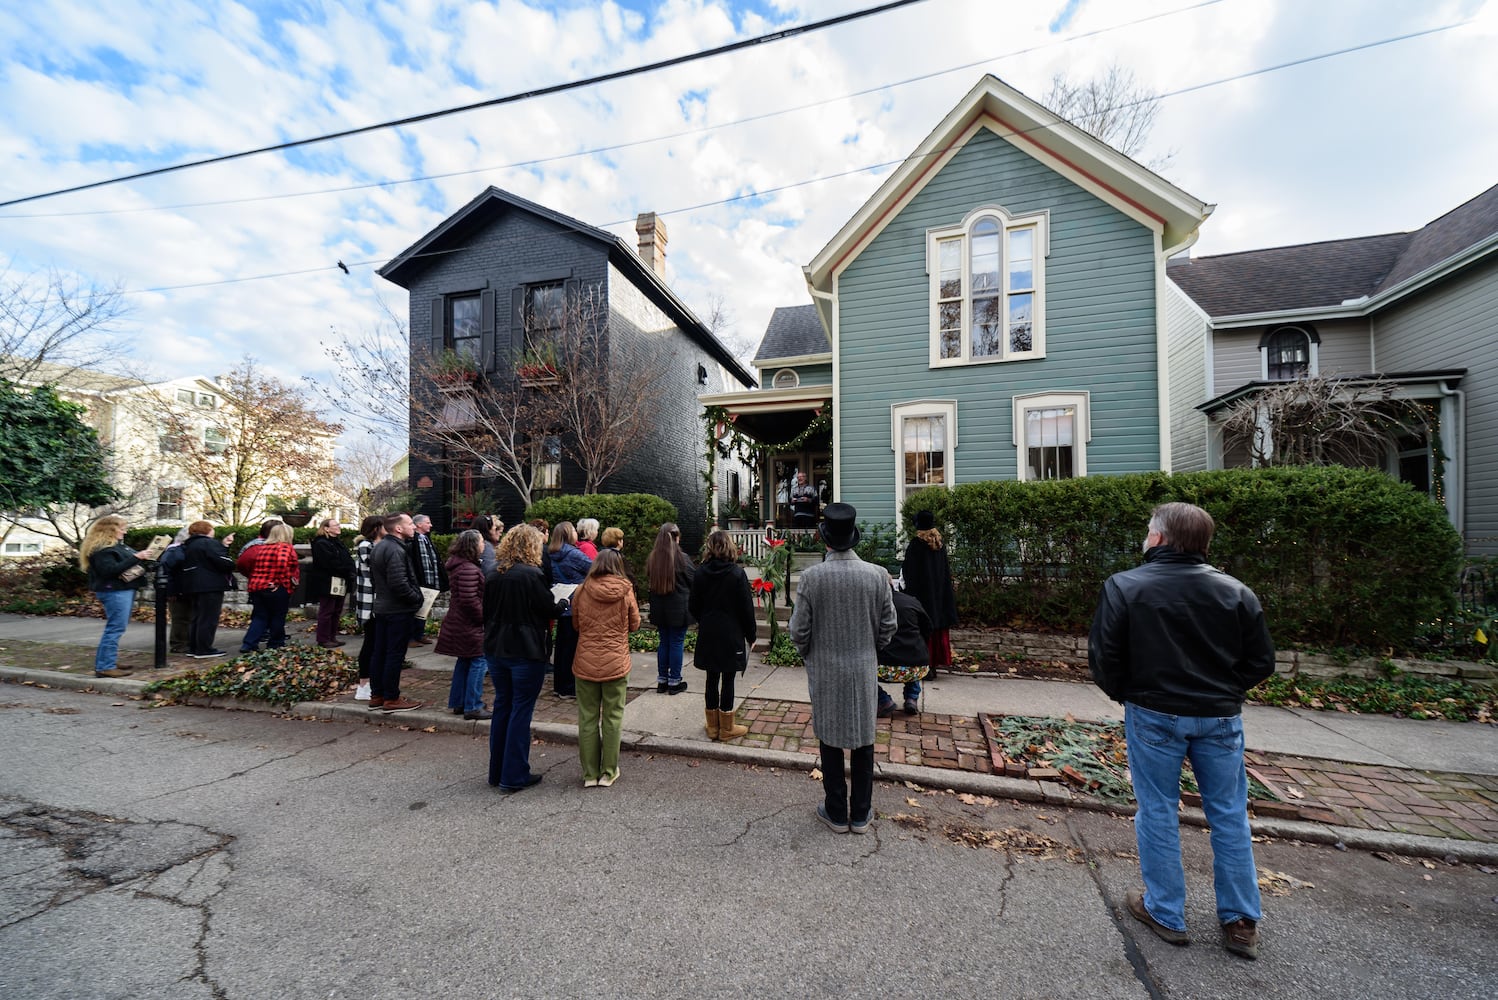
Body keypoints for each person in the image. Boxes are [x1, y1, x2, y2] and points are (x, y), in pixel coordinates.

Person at [1089, 502, 1276, 961]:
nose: (1146, 537)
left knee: (1157, 809)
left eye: (1149, 532)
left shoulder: (1126, 586)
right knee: (1229, 814)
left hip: (1154, 711)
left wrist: (1128, 694)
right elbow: (1260, 662)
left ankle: (1166, 911)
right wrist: (1224, 692)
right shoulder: (1235, 592)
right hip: (1219, 716)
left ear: (1160, 538)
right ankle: (1240, 919)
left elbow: (1104, 657)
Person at [788, 503, 896, 835]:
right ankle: (861, 814)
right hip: (862, 668)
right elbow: (889, 626)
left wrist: (810, 654)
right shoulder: (877, 575)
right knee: (864, 741)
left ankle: (836, 811)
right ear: (853, 538)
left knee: (830, 740)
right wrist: (869, 650)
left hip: (825, 669)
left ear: (825, 540)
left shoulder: (812, 577)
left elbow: (798, 630)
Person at [484, 524, 565, 794]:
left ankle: (497, 771)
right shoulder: (531, 575)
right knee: (520, 711)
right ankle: (514, 774)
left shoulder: (493, 573)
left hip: (496, 648)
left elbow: (486, 613)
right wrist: (563, 603)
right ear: (532, 546)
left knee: (502, 708)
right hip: (525, 650)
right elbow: (548, 608)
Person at [570, 549, 640, 787]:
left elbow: (576, 624)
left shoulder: (581, 590)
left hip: (586, 661)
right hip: (616, 661)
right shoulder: (625, 590)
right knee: (613, 717)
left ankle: (589, 774)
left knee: (587, 718)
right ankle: (609, 772)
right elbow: (635, 624)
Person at [688, 529, 754, 741]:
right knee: (728, 678)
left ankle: (712, 726)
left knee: (711, 677)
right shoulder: (736, 574)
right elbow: (746, 608)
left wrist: (704, 619)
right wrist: (751, 634)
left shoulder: (700, 572)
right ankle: (727, 728)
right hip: (731, 632)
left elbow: (693, 605)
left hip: (709, 630)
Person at [79, 514, 154, 678]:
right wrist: (136, 557)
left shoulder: (116, 547)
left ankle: (108, 661)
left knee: (116, 627)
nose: (124, 532)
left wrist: (144, 557)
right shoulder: (102, 550)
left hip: (121, 589)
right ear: (110, 530)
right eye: (122, 528)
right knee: (115, 628)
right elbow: (109, 571)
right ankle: (105, 666)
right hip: (114, 590)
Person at [367, 512, 424, 713]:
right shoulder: (395, 550)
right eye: (410, 524)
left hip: (383, 607)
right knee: (394, 654)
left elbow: (376, 580)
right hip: (397, 610)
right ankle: (391, 698)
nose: (414, 527)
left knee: (380, 652)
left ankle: (378, 695)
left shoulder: (380, 547)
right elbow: (399, 582)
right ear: (398, 529)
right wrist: (417, 598)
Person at [437, 529, 490, 720]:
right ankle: (473, 705)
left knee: (465, 660)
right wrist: (484, 617)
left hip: (460, 622)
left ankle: (459, 702)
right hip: (469, 624)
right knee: (479, 660)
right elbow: (469, 599)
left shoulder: (461, 565)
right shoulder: (469, 568)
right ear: (473, 545)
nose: (484, 545)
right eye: (481, 541)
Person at [902, 509, 958, 669]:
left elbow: (909, 572)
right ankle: (934, 664)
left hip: (922, 597)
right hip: (939, 596)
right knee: (936, 629)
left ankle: (924, 665)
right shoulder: (939, 545)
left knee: (923, 630)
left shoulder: (916, 545)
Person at [645, 522, 694, 695]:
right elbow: (693, 581)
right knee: (676, 643)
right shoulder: (682, 558)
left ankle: (662, 680)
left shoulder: (653, 558)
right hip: (678, 609)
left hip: (660, 609)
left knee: (664, 642)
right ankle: (674, 681)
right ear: (676, 537)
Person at [547, 520, 593, 701]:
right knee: (573, 648)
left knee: (561, 648)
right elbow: (595, 567)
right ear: (568, 534)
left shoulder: (552, 553)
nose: (576, 532)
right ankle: (569, 687)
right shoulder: (574, 554)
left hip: (560, 602)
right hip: (576, 604)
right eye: (573, 529)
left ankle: (559, 685)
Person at [178, 521, 236, 658]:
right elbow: (223, 561)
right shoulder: (208, 543)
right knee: (209, 617)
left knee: (197, 616)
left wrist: (224, 545)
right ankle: (204, 648)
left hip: (193, 584)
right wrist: (229, 559)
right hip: (210, 584)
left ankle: (194, 647)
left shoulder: (189, 544)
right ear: (207, 530)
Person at [238, 523, 299, 653]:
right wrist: (280, 581)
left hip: (257, 586)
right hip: (275, 588)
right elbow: (282, 564)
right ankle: (275, 643)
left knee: (260, 617)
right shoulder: (284, 547)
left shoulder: (263, 547)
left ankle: (249, 644)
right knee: (278, 616)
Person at [877, 575, 932, 718]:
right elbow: (927, 628)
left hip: (883, 668)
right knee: (913, 653)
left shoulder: (873, 605)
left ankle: (883, 700)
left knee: (860, 672)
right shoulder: (911, 601)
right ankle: (911, 698)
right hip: (917, 668)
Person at [307, 518, 354, 648]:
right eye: (336, 525)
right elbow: (328, 563)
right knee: (327, 610)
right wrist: (345, 569)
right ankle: (323, 638)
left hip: (340, 580)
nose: (339, 527)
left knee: (336, 610)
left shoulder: (337, 543)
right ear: (326, 528)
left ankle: (332, 636)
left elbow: (346, 559)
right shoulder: (321, 543)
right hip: (328, 581)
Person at [351, 515, 384, 701]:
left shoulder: (374, 545)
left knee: (376, 643)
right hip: (369, 603)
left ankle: (370, 682)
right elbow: (377, 567)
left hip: (375, 602)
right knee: (370, 643)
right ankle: (363, 684)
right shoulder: (366, 546)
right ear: (376, 528)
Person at [406, 513, 447, 646]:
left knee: (425, 608)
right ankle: (411, 637)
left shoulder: (426, 539)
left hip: (430, 580)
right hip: (419, 580)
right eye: (428, 522)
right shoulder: (412, 540)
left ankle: (419, 634)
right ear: (419, 524)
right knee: (416, 609)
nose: (431, 525)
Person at [156, 526, 194, 654]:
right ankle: (178, 644)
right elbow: (168, 572)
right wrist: (171, 592)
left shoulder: (176, 550)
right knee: (180, 618)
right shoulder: (174, 551)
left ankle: (183, 642)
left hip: (181, 588)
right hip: (177, 589)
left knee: (185, 617)